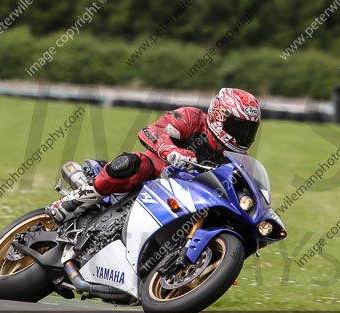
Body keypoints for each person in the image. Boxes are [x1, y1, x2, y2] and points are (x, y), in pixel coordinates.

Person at [46, 87, 261, 223]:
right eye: (238, 127)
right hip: (156, 177)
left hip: (190, 201)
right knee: (133, 164)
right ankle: (73, 202)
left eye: (248, 130)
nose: (243, 135)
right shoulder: (192, 118)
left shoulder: (238, 160)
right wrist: (171, 151)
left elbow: (242, 190)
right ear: (218, 116)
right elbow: (151, 131)